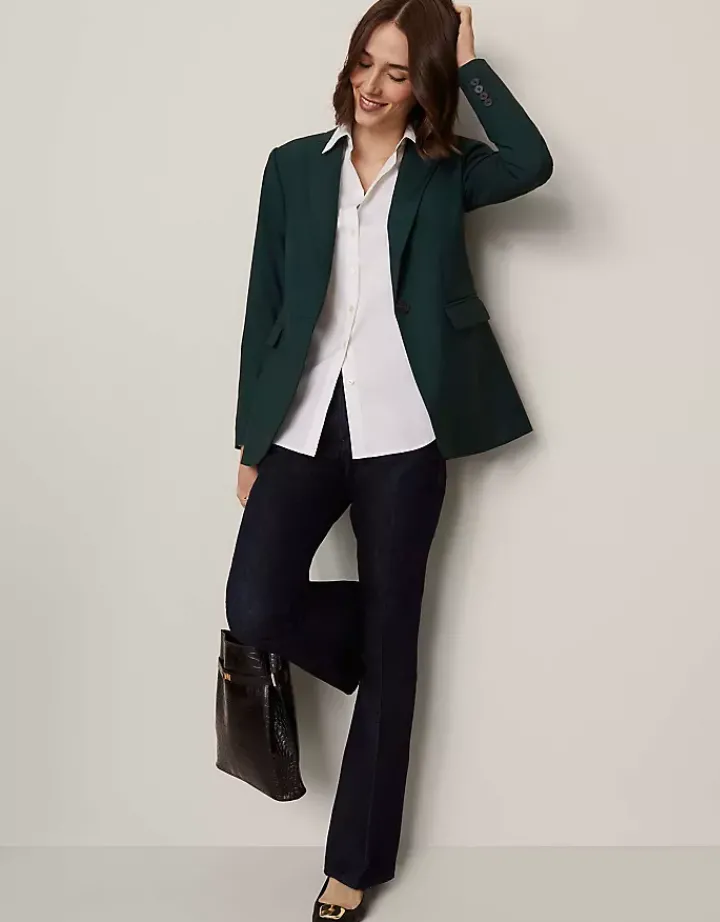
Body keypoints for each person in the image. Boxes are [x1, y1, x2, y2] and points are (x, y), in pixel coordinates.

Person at [225, 0, 553, 917]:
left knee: (391, 653)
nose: (371, 85)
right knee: (255, 604)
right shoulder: (293, 167)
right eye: (365, 62)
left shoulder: (448, 171)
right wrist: (253, 438)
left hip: (407, 433)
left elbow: (532, 163)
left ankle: (354, 866)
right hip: (304, 426)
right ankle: (381, 637)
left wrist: (472, 67)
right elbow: (265, 305)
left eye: (398, 72)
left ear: (425, 86)